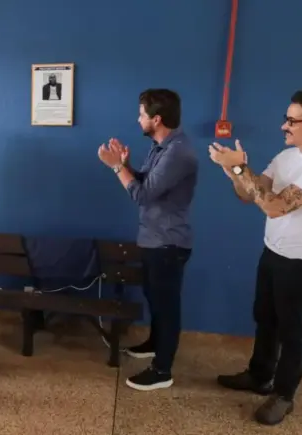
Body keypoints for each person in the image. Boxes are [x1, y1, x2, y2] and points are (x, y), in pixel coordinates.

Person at [209, 89, 302, 426]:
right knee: (265, 318)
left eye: (291, 120)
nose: (284, 126)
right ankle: (260, 376)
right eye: (286, 119)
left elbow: (274, 207)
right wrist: (235, 171)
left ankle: (284, 396)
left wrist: (240, 169)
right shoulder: (286, 157)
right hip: (274, 250)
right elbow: (250, 194)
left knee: (292, 329)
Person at [97, 88, 198, 391]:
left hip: (168, 243)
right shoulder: (161, 147)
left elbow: (142, 195)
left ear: (157, 119)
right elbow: (146, 181)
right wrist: (126, 166)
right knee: (155, 298)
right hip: (154, 240)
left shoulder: (178, 152)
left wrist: (117, 167)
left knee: (166, 306)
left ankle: (162, 370)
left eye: (141, 114)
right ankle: (155, 344)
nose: (137, 119)